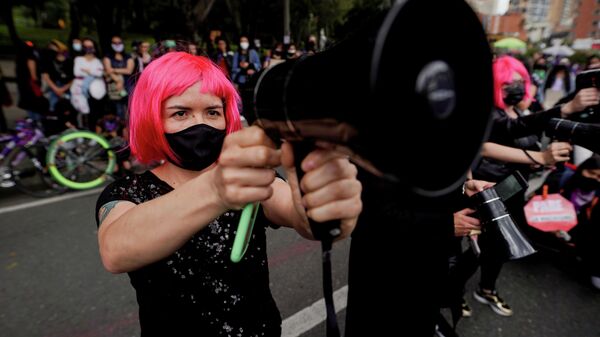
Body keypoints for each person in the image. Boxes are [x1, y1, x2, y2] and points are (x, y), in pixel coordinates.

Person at [94, 51, 362, 336]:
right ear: (153, 119)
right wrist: (215, 189)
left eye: (213, 112)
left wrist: (327, 201)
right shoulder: (128, 192)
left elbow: (302, 216)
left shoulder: (251, 178)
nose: (202, 124)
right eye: (180, 113)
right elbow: (116, 249)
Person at [460, 55, 597, 318]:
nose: (516, 88)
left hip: (517, 187)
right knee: (477, 242)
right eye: (508, 83)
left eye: (520, 81)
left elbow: (537, 126)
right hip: (490, 185)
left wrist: (540, 158)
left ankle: (486, 289)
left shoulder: (527, 107)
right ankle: (454, 292)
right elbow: (494, 141)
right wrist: (541, 155)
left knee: (501, 244)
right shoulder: (489, 112)